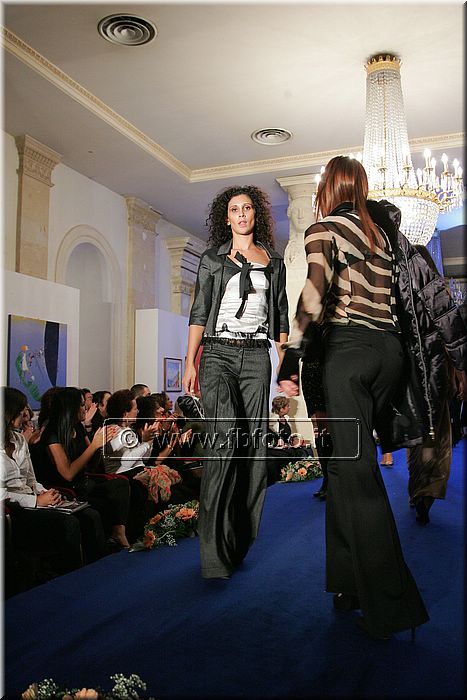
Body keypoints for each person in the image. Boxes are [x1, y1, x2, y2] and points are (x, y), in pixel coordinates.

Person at [279, 156, 429, 640]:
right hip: (390, 355)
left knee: (358, 475)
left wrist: (290, 359)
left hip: (350, 351)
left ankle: (393, 606)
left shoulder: (325, 228)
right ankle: (347, 584)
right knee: (346, 470)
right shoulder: (381, 235)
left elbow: (313, 293)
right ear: (360, 188)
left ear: (328, 187)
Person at [183, 184, 289, 579]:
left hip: (257, 358)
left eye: (247, 208)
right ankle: (213, 555)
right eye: (234, 209)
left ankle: (238, 541)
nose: (241, 214)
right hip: (218, 354)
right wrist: (191, 361)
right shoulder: (212, 259)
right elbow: (199, 312)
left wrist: (286, 366)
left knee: (253, 451)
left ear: (255, 214)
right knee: (223, 445)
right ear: (225, 218)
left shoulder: (273, 261)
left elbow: (280, 317)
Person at [1, 387, 104, 573]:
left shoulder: (18, 440)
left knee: (90, 515)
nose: (25, 415)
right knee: (69, 523)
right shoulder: (49, 434)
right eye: (20, 411)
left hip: (34, 499)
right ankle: (71, 577)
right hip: (13, 510)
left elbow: (31, 479)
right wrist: (36, 501)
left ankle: (97, 571)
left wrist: (45, 493)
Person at [401, 244, 466, 524]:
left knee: (418, 436)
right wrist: (460, 373)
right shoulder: (438, 292)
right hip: (436, 369)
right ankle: (425, 492)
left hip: (410, 373)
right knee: (437, 436)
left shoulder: (400, 291)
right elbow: (451, 334)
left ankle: (418, 490)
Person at [31, 386, 131, 549]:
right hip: (67, 489)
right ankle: (102, 552)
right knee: (98, 511)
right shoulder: (52, 433)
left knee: (121, 484)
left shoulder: (77, 426)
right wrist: (94, 446)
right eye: (82, 404)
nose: (86, 408)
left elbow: (91, 464)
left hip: (85, 482)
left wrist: (99, 446)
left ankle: (118, 532)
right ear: (70, 407)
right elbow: (68, 473)